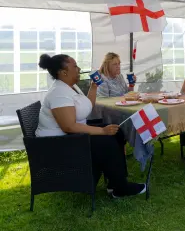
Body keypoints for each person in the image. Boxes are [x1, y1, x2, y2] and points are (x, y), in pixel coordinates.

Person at [36, 53, 146, 198]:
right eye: (75, 66)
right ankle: (121, 188)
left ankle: (115, 182)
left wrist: (94, 87)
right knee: (106, 140)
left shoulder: (70, 87)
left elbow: (87, 106)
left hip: (69, 135)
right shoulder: (59, 93)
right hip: (58, 144)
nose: (79, 68)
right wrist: (101, 131)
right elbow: (69, 127)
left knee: (116, 131)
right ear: (63, 72)